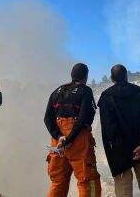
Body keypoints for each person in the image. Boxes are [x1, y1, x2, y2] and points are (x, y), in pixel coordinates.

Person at [98, 64, 140, 197]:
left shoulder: (107, 97)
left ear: (112, 78)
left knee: (123, 192)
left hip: (120, 155)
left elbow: (109, 129)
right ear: (127, 76)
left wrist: (125, 148)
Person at [44, 63, 101, 197]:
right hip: (78, 140)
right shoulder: (85, 91)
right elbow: (83, 119)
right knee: (87, 180)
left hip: (57, 141)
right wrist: (69, 140)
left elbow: (47, 118)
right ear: (86, 76)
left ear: (72, 75)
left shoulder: (57, 91)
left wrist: (59, 137)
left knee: (58, 181)